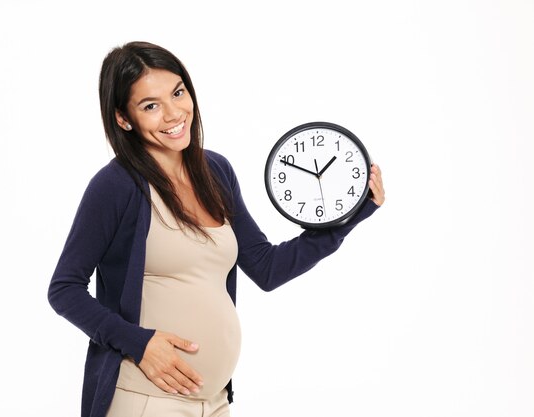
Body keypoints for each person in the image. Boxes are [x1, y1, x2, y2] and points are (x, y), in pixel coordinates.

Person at [48, 41, 385, 417]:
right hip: (148, 399)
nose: (174, 113)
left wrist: (352, 216)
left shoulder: (216, 172)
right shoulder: (115, 186)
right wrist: (139, 343)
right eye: (150, 105)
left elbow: (267, 268)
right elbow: (64, 289)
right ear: (124, 119)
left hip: (214, 402)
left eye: (178, 93)